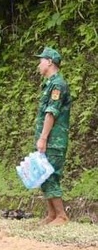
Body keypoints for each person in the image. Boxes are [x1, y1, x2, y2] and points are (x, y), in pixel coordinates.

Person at [34, 47, 71, 226]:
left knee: (51, 175)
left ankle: (62, 215)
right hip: (48, 138)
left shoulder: (58, 85)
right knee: (43, 174)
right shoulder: (49, 84)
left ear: (49, 62)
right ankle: (51, 215)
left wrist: (43, 138)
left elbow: (51, 113)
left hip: (54, 139)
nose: (38, 64)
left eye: (41, 60)